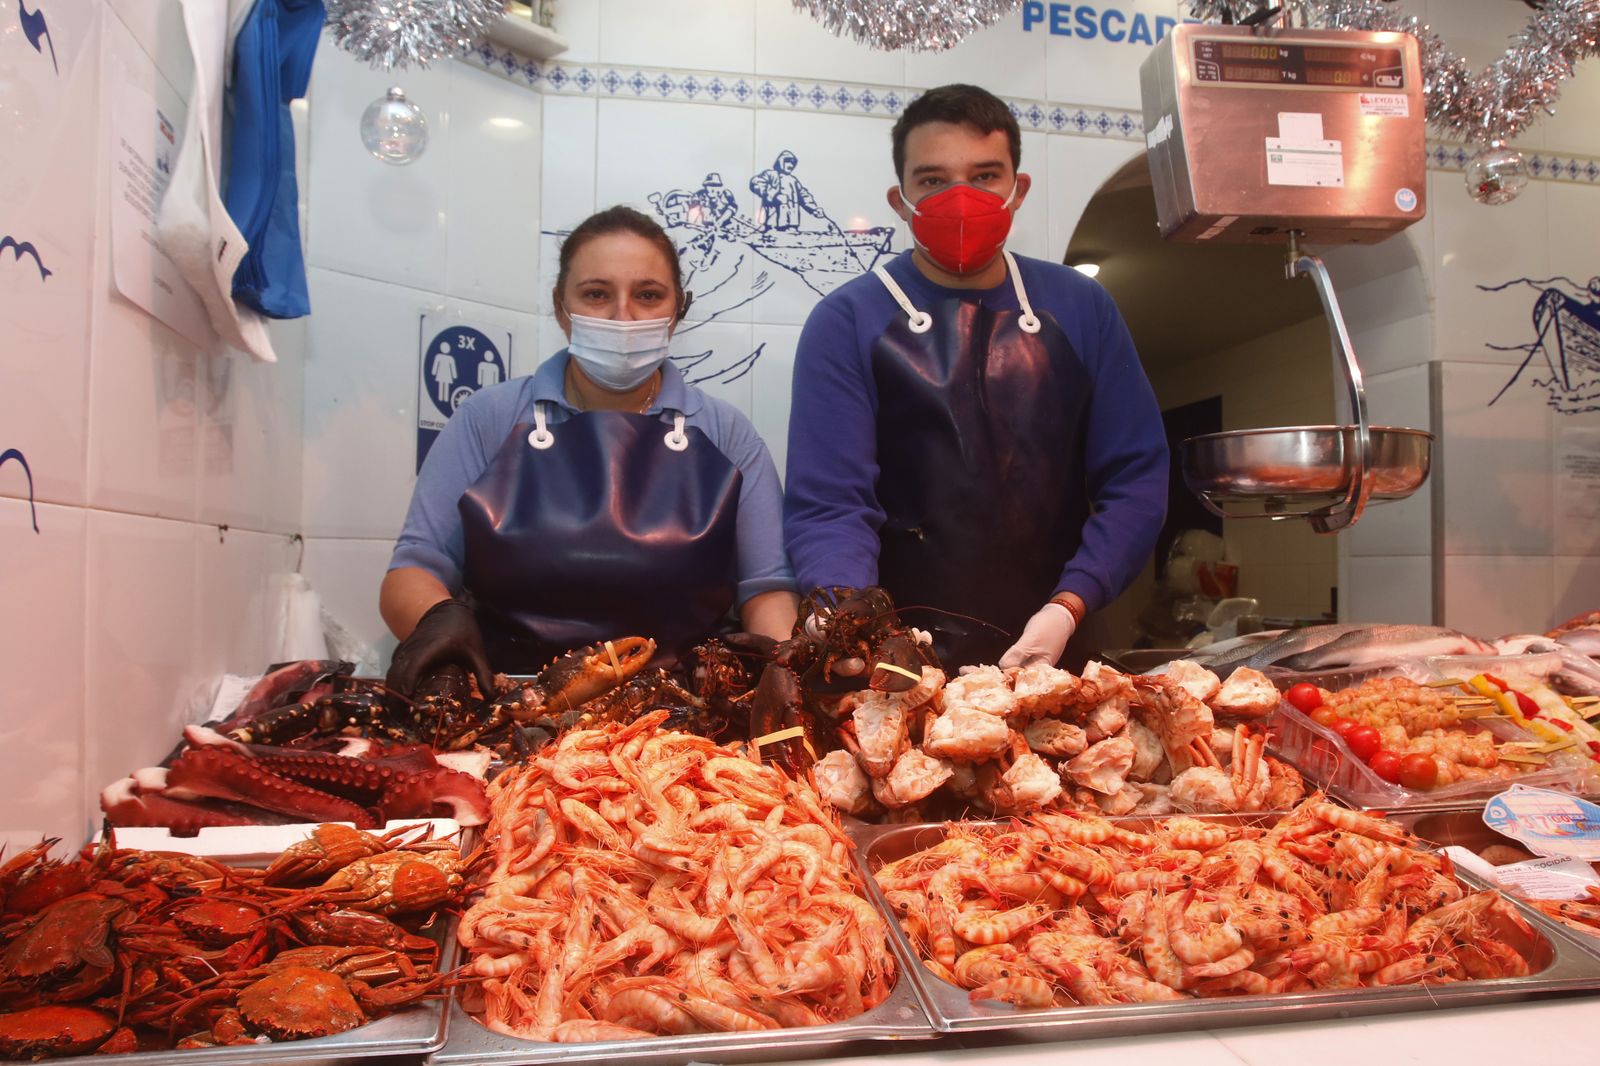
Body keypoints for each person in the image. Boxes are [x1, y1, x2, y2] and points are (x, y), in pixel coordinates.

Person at [783, 84, 1168, 672]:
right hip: (892, 660)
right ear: (900, 200)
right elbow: (830, 505)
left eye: (985, 176)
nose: (960, 198)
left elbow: (1136, 480)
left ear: (1019, 189)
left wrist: (1070, 603)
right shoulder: (845, 320)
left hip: (1061, 644)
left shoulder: (1082, 305)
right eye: (933, 180)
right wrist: (846, 620)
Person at [382, 206, 798, 694]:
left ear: (677, 311)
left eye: (648, 295)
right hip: (512, 699)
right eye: (597, 294)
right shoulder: (487, 419)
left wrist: (785, 673)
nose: (623, 316)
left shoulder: (727, 433)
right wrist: (440, 628)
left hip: (687, 707)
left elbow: (766, 589)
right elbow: (414, 570)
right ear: (561, 308)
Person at [750, 150, 822, 232]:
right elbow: (756, 183)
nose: (791, 165)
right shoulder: (771, 174)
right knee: (772, 228)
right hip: (772, 218)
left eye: (793, 163)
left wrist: (814, 209)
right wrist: (772, 195)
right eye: (787, 161)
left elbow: (804, 195)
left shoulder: (793, 180)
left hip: (792, 221)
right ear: (780, 162)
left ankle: (791, 227)